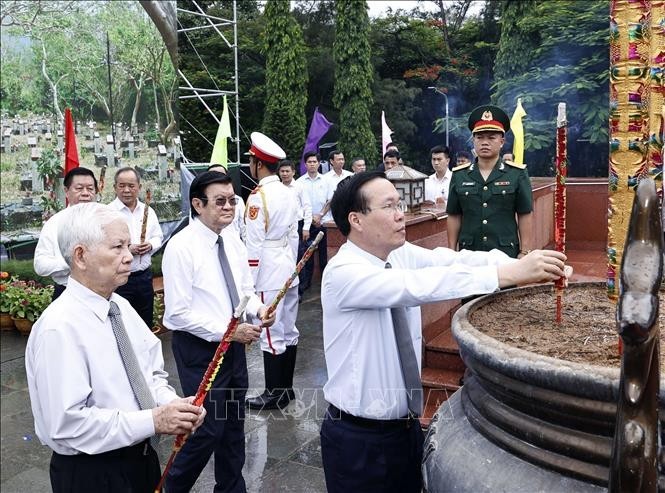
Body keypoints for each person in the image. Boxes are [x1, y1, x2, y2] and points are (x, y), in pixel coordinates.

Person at [320, 171, 571, 493]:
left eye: (400, 204)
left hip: (405, 427)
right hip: (358, 438)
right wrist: (508, 274)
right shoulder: (343, 274)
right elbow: (418, 286)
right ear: (356, 219)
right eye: (389, 207)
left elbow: (450, 262)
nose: (401, 215)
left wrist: (525, 263)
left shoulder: (397, 254)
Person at [25, 202, 205, 493]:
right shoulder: (59, 328)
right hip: (93, 472)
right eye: (118, 247)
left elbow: (150, 373)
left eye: (129, 246)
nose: (128, 258)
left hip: (140, 457)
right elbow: (69, 424)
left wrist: (171, 404)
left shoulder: (119, 307)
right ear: (81, 256)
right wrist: (154, 420)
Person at [162, 171, 274, 493]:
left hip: (233, 348)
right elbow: (177, 315)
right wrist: (228, 333)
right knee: (206, 428)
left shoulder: (233, 240)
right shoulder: (181, 247)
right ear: (198, 204)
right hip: (200, 349)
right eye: (220, 201)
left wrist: (259, 309)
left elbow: (245, 290)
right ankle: (172, 487)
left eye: (232, 200)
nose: (229, 207)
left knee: (234, 426)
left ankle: (230, 488)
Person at [244, 133, 301, 410]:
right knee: (288, 330)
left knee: (270, 335)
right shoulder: (289, 192)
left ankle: (273, 393)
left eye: (251, 161)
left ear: (257, 163)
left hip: (267, 270)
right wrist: (292, 268)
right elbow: (293, 236)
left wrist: (250, 285)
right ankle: (286, 390)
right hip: (288, 267)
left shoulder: (258, 197)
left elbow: (253, 245)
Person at [446, 105, 534, 258]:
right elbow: (454, 215)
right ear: (473, 140)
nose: (484, 142)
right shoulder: (460, 175)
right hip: (469, 253)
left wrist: (525, 251)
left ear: (502, 141)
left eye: (491, 137)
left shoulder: (516, 173)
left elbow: (524, 213)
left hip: (505, 252)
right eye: (479, 137)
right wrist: (451, 252)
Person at [108, 167, 163, 328]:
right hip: (119, 279)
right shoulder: (108, 212)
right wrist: (127, 248)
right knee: (121, 324)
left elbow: (158, 236)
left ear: (138, 187)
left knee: (144, 323)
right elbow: (104, 243)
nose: (126, 190)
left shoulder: (148, 211)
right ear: (115, 188)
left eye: (131, 186)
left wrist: (151, 245)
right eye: (121, 185)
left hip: (144, 277)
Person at [34, 167, 98, 300]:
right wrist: (72, 262)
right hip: (67, 293)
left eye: (90, 188)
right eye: (79, 188)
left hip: (102, 293)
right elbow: (40, 265)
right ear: (66, 191)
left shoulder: (106, 220)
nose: (86, 193)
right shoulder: (55, 223)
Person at [295, 151, 329, 296]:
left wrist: (320, 215)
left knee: (324, 254)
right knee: (306, 254)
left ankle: (325, 284)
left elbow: (330, 200)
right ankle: (306, 284)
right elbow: (299, 204)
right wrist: (310, 219)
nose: (312, 164)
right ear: (305, 164)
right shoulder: (299, 183)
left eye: (315, 162)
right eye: (309, 162)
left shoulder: (326, 180)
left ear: (319, 163)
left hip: (323, 221)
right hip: (306, 224)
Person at [279, 159, 312, 260]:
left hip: (298, 225)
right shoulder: (277, 188)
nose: (285, 174)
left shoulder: (300, 187)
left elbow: (307, 207)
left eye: (287, 171)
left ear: (293, 172)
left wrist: (306, 227)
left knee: (299, 255)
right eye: (282, 171)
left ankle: (301, 277)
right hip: (281, 225)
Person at [207, 163, 247, 242]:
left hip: (234, 248)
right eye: (213, 176)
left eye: (221, 176)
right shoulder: (200, 203)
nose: (217, 180)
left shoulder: (238, 201)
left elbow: (244, 229)